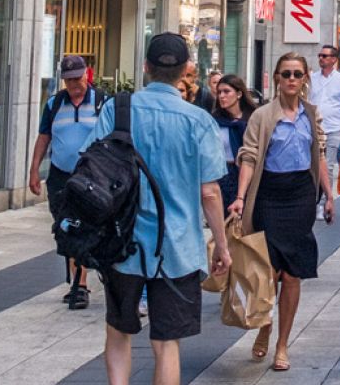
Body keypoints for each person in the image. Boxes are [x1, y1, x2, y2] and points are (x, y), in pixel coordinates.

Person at [86, 33, 232, 385]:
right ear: (185, 71)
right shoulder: (198, 121)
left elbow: (92, 167)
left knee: (118, 330)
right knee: (167, 341)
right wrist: (222, 246)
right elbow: (210, 192)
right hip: (177, 245)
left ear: (146, 67)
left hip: (123, 242)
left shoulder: (116, 109)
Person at [231, 52, 332, 372]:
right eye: (286, 73)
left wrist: (329, 195)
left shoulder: (310, 114)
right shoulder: (262, 115)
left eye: (297, 74)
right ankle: (265, 325)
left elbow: (320, 156)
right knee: (269, 272)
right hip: (269, 196)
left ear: (305, 79)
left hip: (301, 196)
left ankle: (282, 344)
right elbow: (248, 157)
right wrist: (240, 197)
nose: (291, 79)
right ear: (277, 77)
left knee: (293, 274)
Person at [27, 55, 105, 311]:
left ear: (87, 75)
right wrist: (34, 170)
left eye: (77, 78)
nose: (74, 84)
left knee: (85, 228)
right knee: (67, 227)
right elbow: (43, 137)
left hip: (92, 175)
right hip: (61, 175)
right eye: (69, 80)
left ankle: (80, 284)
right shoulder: (54, 104)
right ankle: (78, 282)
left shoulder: (103, 102)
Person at [308, 44, 340, 216]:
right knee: (313, 167)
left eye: (325, 56)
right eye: (320, 55)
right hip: (313, 129)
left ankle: (323, 202)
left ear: (334, 60)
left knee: (327, 166)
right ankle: (313, 200)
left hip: (334, 128)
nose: (321, 58)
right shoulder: (312, 78)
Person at [209, 74, 255, 211]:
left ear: (239, 94)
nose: (222, 96)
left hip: (248, 173)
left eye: (226, 91)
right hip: (223, 174)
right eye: (219, 92)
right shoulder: (214, 120)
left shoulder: (253, 118)